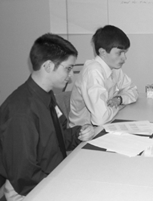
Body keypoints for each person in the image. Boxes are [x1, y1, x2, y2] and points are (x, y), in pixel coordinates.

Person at [0, 33, 96, 201]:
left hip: (55, 174)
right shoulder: (21, 112)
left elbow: (57, 140)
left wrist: (80, 133)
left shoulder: (46, 96)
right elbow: (24, 175)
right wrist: (63, 185)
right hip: (34, 189)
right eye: (68, 68)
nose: (71, 75)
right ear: (48, 66)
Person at [69, 25, 138, 128]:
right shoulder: (93, 72)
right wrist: (120, 106)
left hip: (106, 124)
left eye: (124, 52)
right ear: (103, 52)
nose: (124, 58)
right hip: (82, 134)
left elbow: (133, 90)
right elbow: (100, 119)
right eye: (120, 53)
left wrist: (119, 99)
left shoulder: (114, 68)